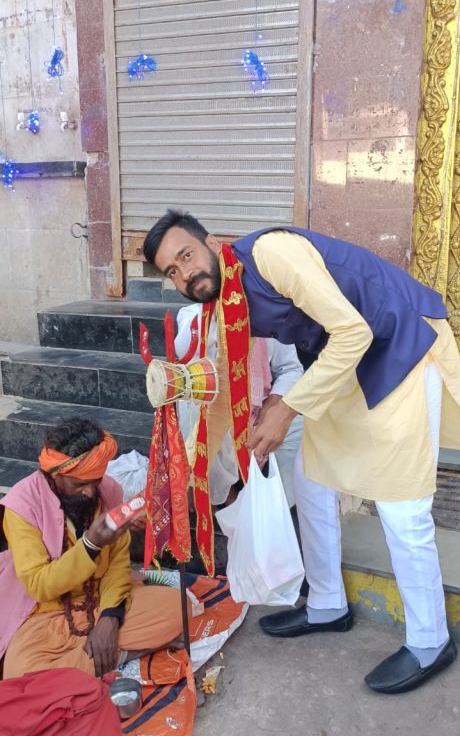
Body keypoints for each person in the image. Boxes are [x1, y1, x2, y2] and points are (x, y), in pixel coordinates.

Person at [143, 209, 460, 695]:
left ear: (211, 242)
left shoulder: (270, 253)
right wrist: (192, 472)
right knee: (312, 483)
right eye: (172, 272)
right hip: (344, 367)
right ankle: (328, 604)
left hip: (401, 346)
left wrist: (286, 408)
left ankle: (430, 641)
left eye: (186, 256)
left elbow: (353, 331)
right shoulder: (221, 306)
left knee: (402, 507)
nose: (185, 274)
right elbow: (223, 397)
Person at [0, 418, 187, 679]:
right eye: (79, 485)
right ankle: (118, 656)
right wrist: (90, 545)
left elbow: (117, 565)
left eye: (95, 481)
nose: (89, 492)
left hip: (99, 601)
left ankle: (87, 662)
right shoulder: (22, 506)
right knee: (20, 671)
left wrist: (109, 619)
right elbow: (40, 585)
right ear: (56, 474)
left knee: (179, 608)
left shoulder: (108, 490)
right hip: (44, 613)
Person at [174, 300, 304, 507]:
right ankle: (222, 499)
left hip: (257, 410)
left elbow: (291, 369)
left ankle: (273, 508)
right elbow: (183, 348)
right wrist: (217, 314)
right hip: (217, 411)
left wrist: (274, 405)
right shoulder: (193, 314)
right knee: (199, 415)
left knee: (300, 430)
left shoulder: (269, 315)